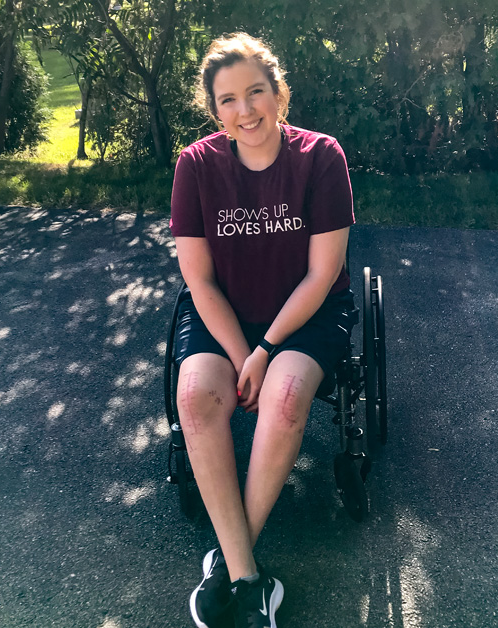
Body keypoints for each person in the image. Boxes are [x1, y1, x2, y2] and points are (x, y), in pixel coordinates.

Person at [169, 32, 358, 628]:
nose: (245, 110)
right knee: (195, 398)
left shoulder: (321, 157)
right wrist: (242, 352)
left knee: (284, 396)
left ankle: (227, 568)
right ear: (213, 110)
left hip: (307, 314)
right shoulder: (195, 167)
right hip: (225, 315)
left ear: (278, 91)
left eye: (256, 92)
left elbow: (323, 273)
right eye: (228, 100)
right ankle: (252, 581)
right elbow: (199, 282)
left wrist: (268, 350)